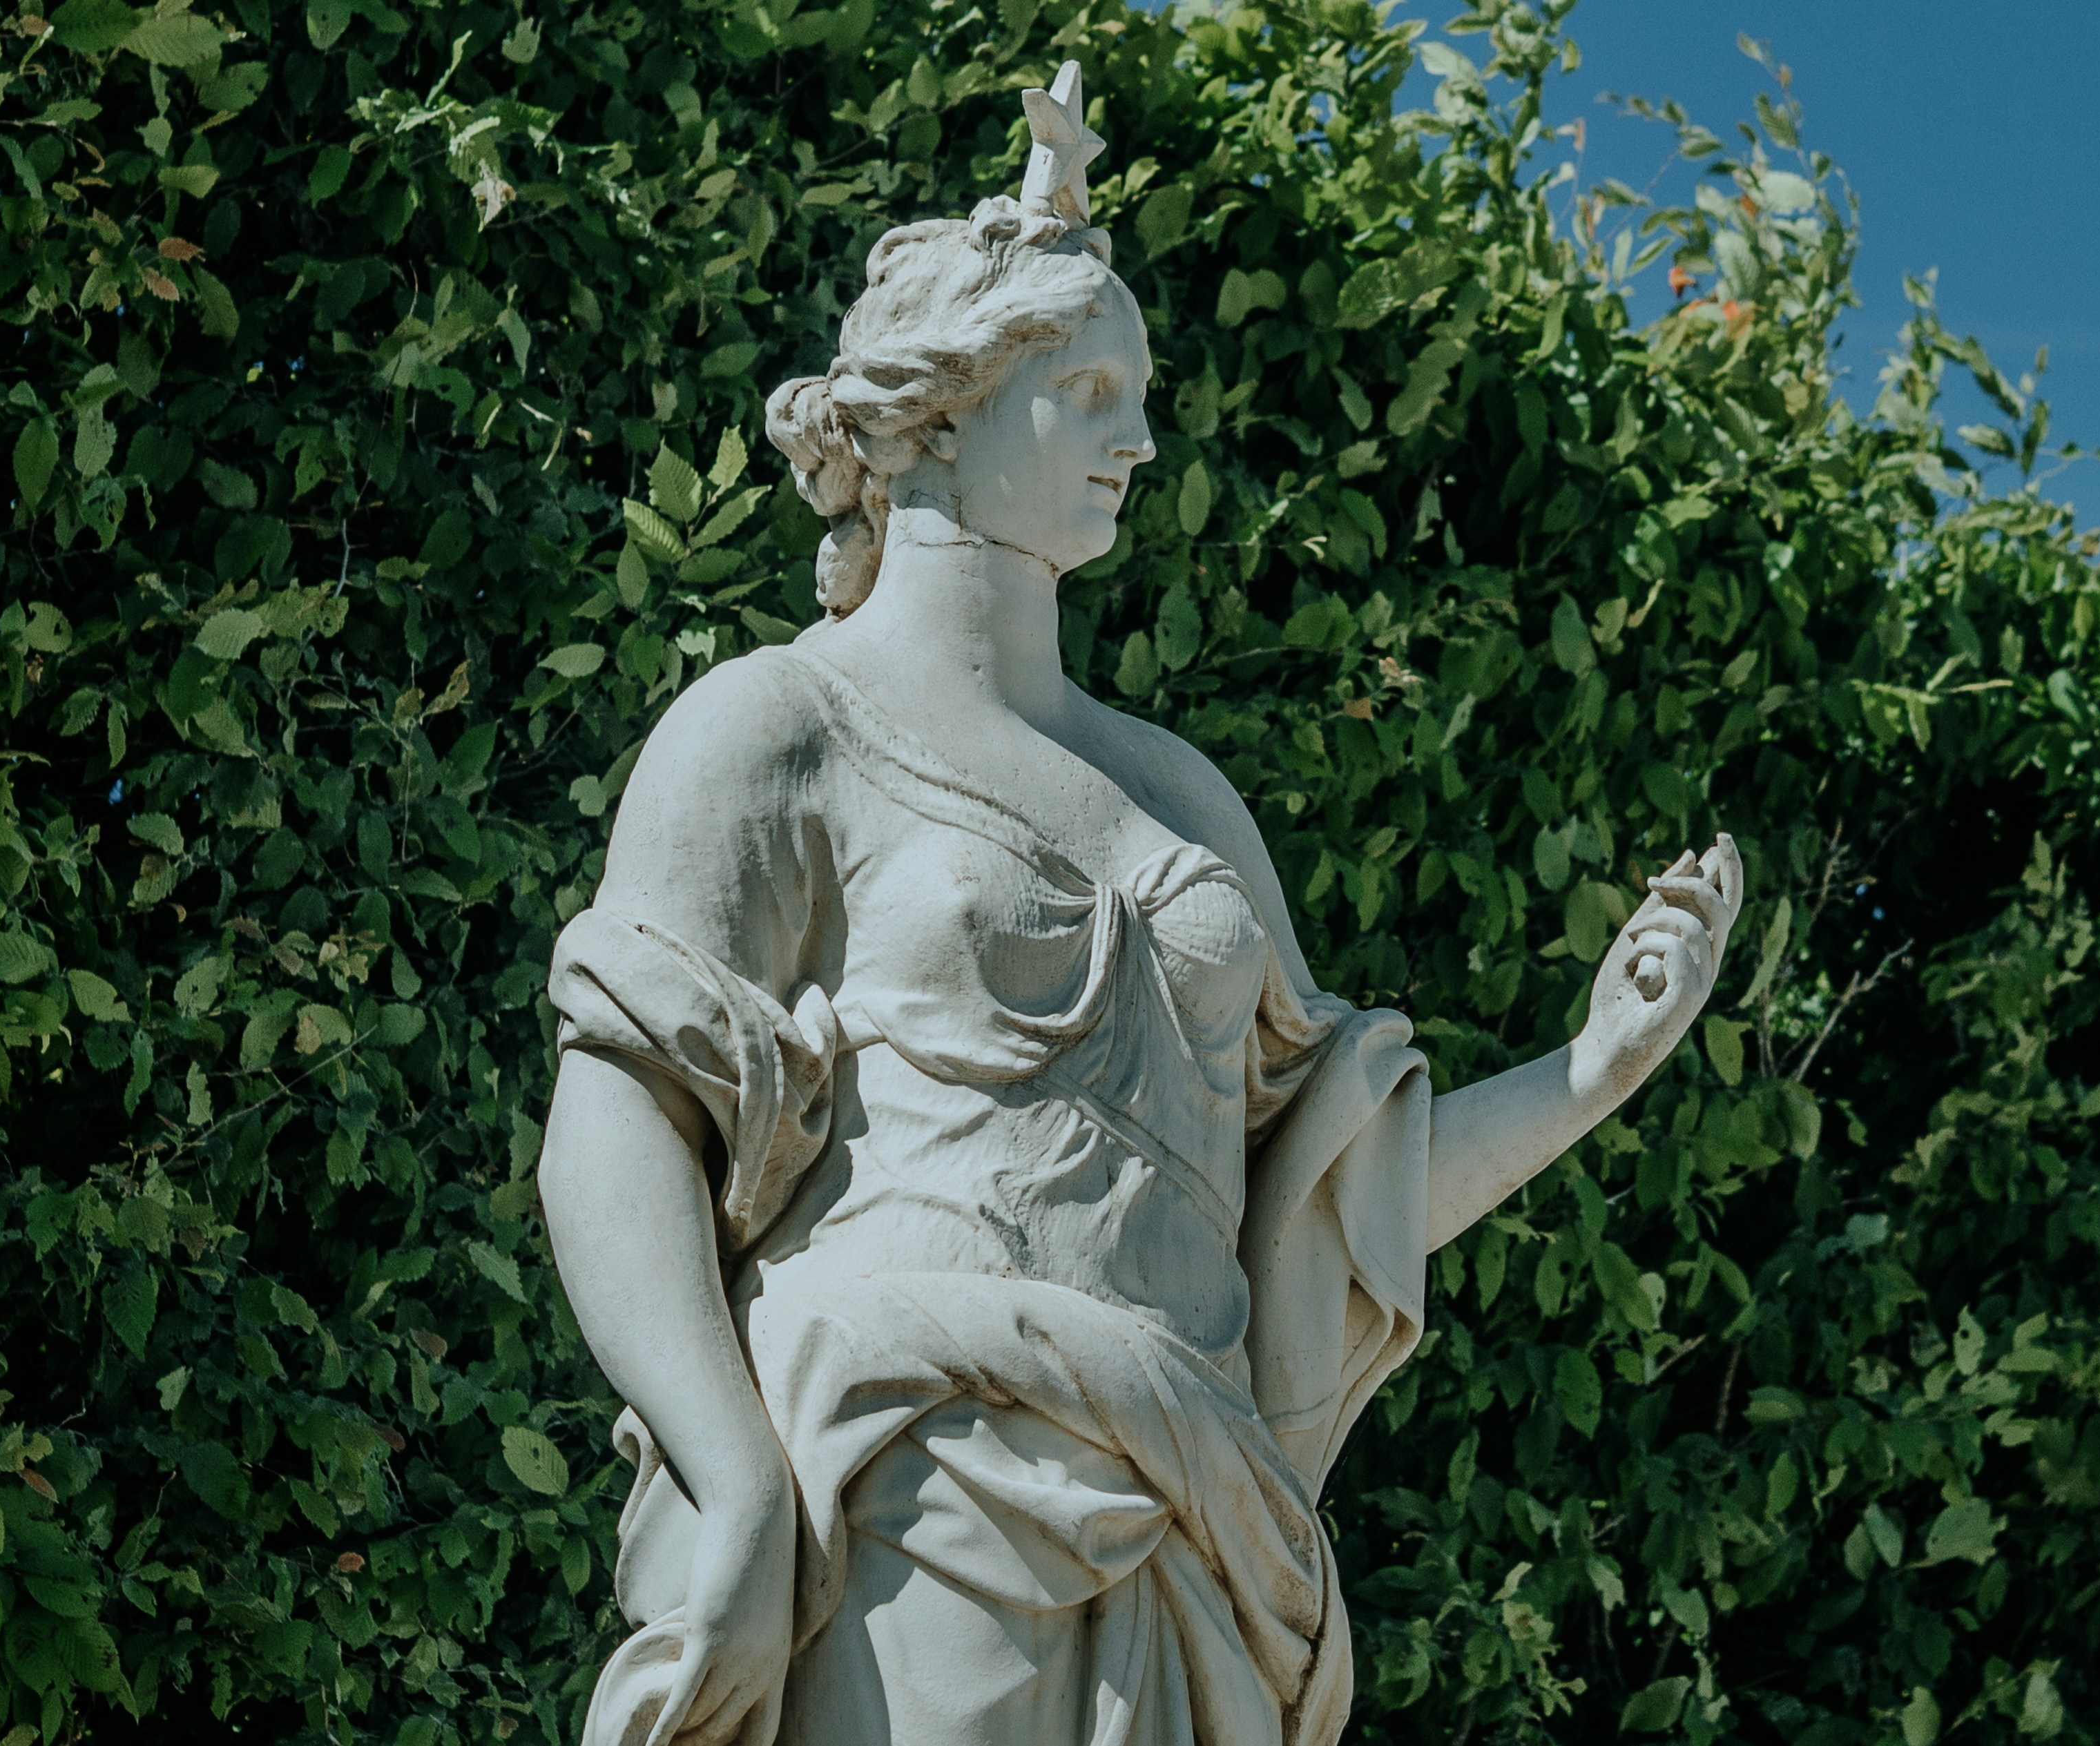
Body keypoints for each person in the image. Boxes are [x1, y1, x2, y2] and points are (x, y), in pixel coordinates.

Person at [539, 64, 1743, 1746]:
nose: (1140, 437)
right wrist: (735, 1477)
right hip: (918, 1486)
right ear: (944, 410)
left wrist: (1594, 1068)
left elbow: (1333, 1188)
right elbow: (615, 1125)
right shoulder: (777, 725)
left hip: (1200, 1520)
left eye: (1142, 392)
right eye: (1091, 388)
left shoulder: (1180, 797)